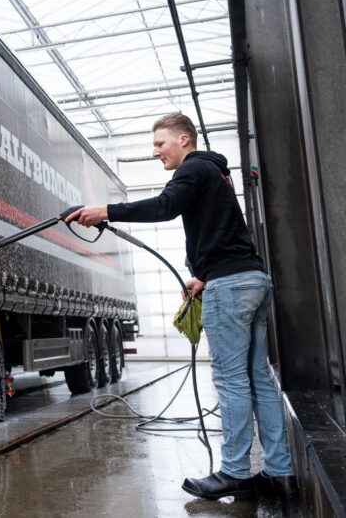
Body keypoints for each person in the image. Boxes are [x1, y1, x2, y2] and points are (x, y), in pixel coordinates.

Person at [66, 112, 297, 501]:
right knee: (258, 378)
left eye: (161, 144)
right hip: (250, 279)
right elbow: (227, 234)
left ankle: (236, 471)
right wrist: (205, 276)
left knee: (231, 380)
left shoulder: (192, 170)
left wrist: (107, 211)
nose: (155, 152)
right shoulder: (216, 173)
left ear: (184, 140)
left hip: (231, 287)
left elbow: (164, 206)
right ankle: (280, 471)